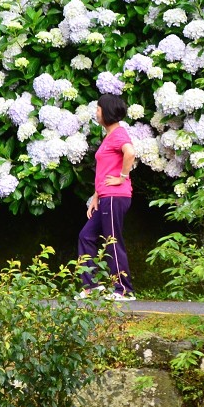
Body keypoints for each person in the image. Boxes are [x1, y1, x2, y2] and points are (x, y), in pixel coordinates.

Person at [77, 93, 137, 301]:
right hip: (106, 196)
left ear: (107, 112)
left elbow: (130, 153)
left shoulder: (119, 134)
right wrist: (96, 196)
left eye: (98, 109)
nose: (96, 112)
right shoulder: (110, 136)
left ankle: (124, 290)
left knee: (112, 241)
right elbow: (105, 169)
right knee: (86, 236)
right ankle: (92, 286)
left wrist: (122, 177)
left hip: (115, 196)